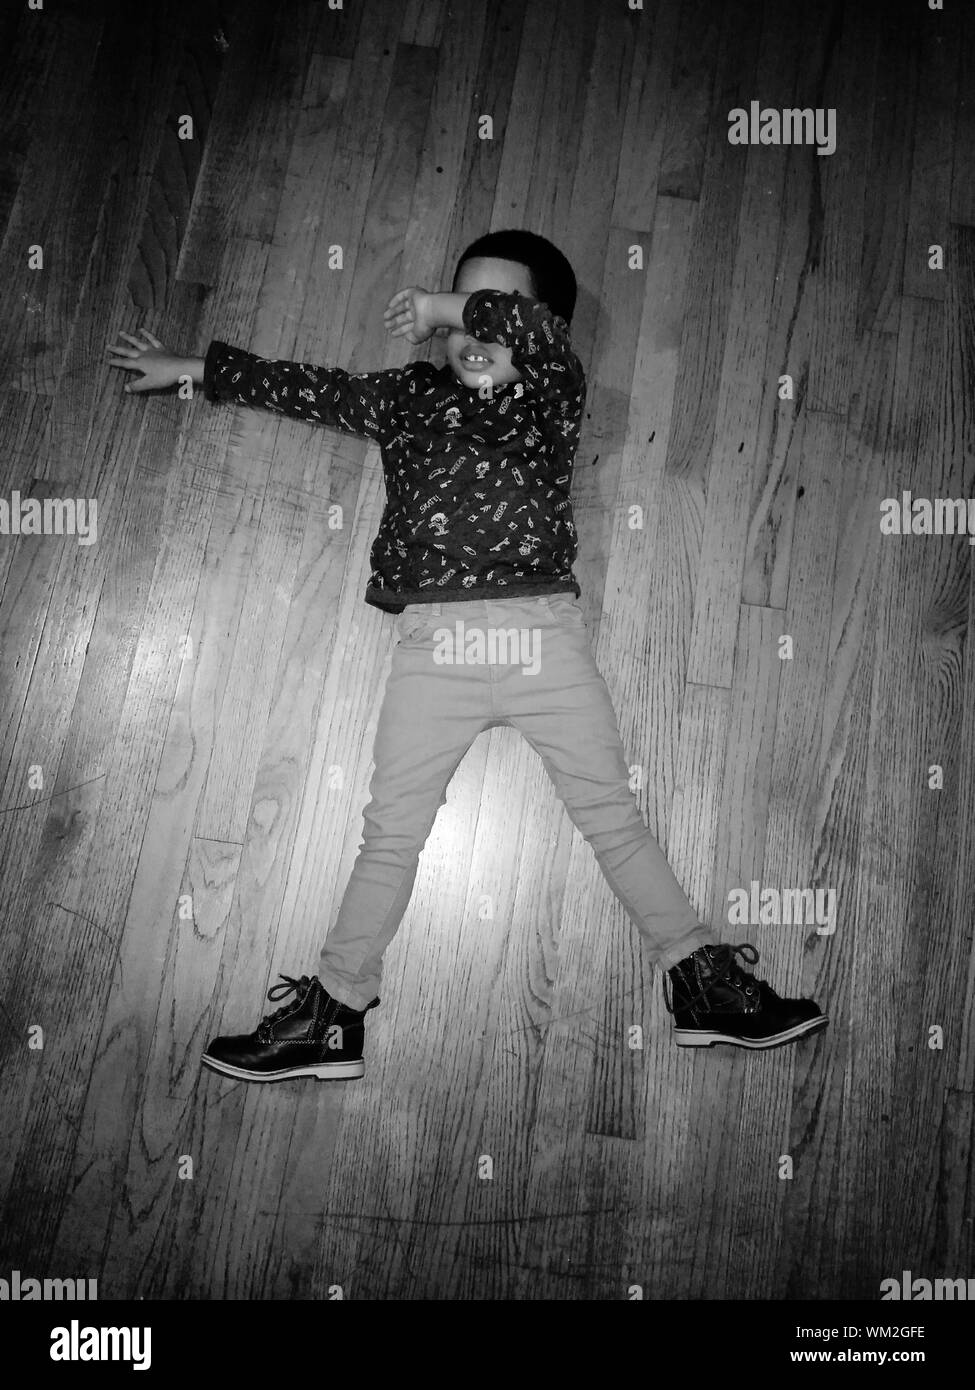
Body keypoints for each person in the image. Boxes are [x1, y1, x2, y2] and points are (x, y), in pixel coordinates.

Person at [107, 229, 827, 1083]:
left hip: (539, 637)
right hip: (434, 646)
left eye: (487, 310)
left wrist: (449, 308)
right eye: (452, 311)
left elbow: (535, 338)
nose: (464, 329)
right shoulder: (407, 396)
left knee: (611, 816)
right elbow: (302, 388)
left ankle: (700, 980)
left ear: (537, 326)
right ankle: (335, 1014)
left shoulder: (551, 396)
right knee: (389, 835)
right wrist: (188, 368)